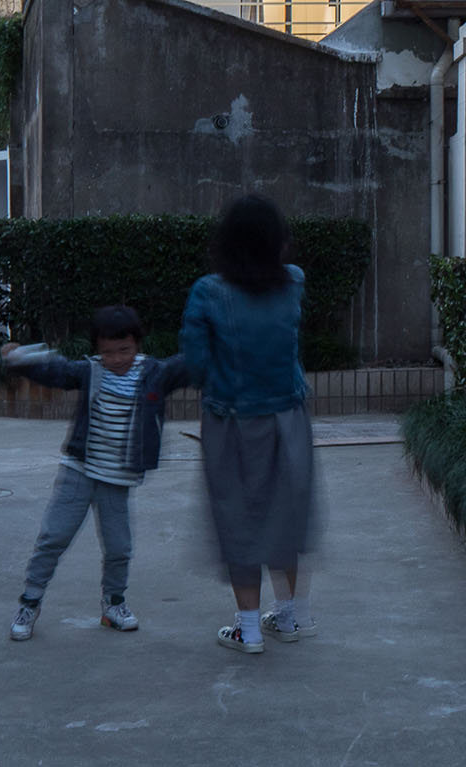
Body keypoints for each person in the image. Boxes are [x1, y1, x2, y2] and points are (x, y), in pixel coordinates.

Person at [180, 195, 318, 653]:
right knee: (284, 515)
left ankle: (249, 629)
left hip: (232, 423)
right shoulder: (294, 283)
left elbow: (196, 365)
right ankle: (290, 618)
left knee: (240, 519)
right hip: (289, 419)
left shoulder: (207, 292)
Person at [1, 304, 188, 641]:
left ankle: (113, 605)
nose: (116, 359)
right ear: (97, 350)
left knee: (119, 547)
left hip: (117, 479)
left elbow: (190, 365)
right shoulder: (90, 371)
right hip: (80, 470)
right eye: (107, 352)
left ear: (138, 345)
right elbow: (55, 371)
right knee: (53, 537)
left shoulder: (155, 373)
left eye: (124, 350)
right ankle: (30, 602)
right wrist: (20, 358)